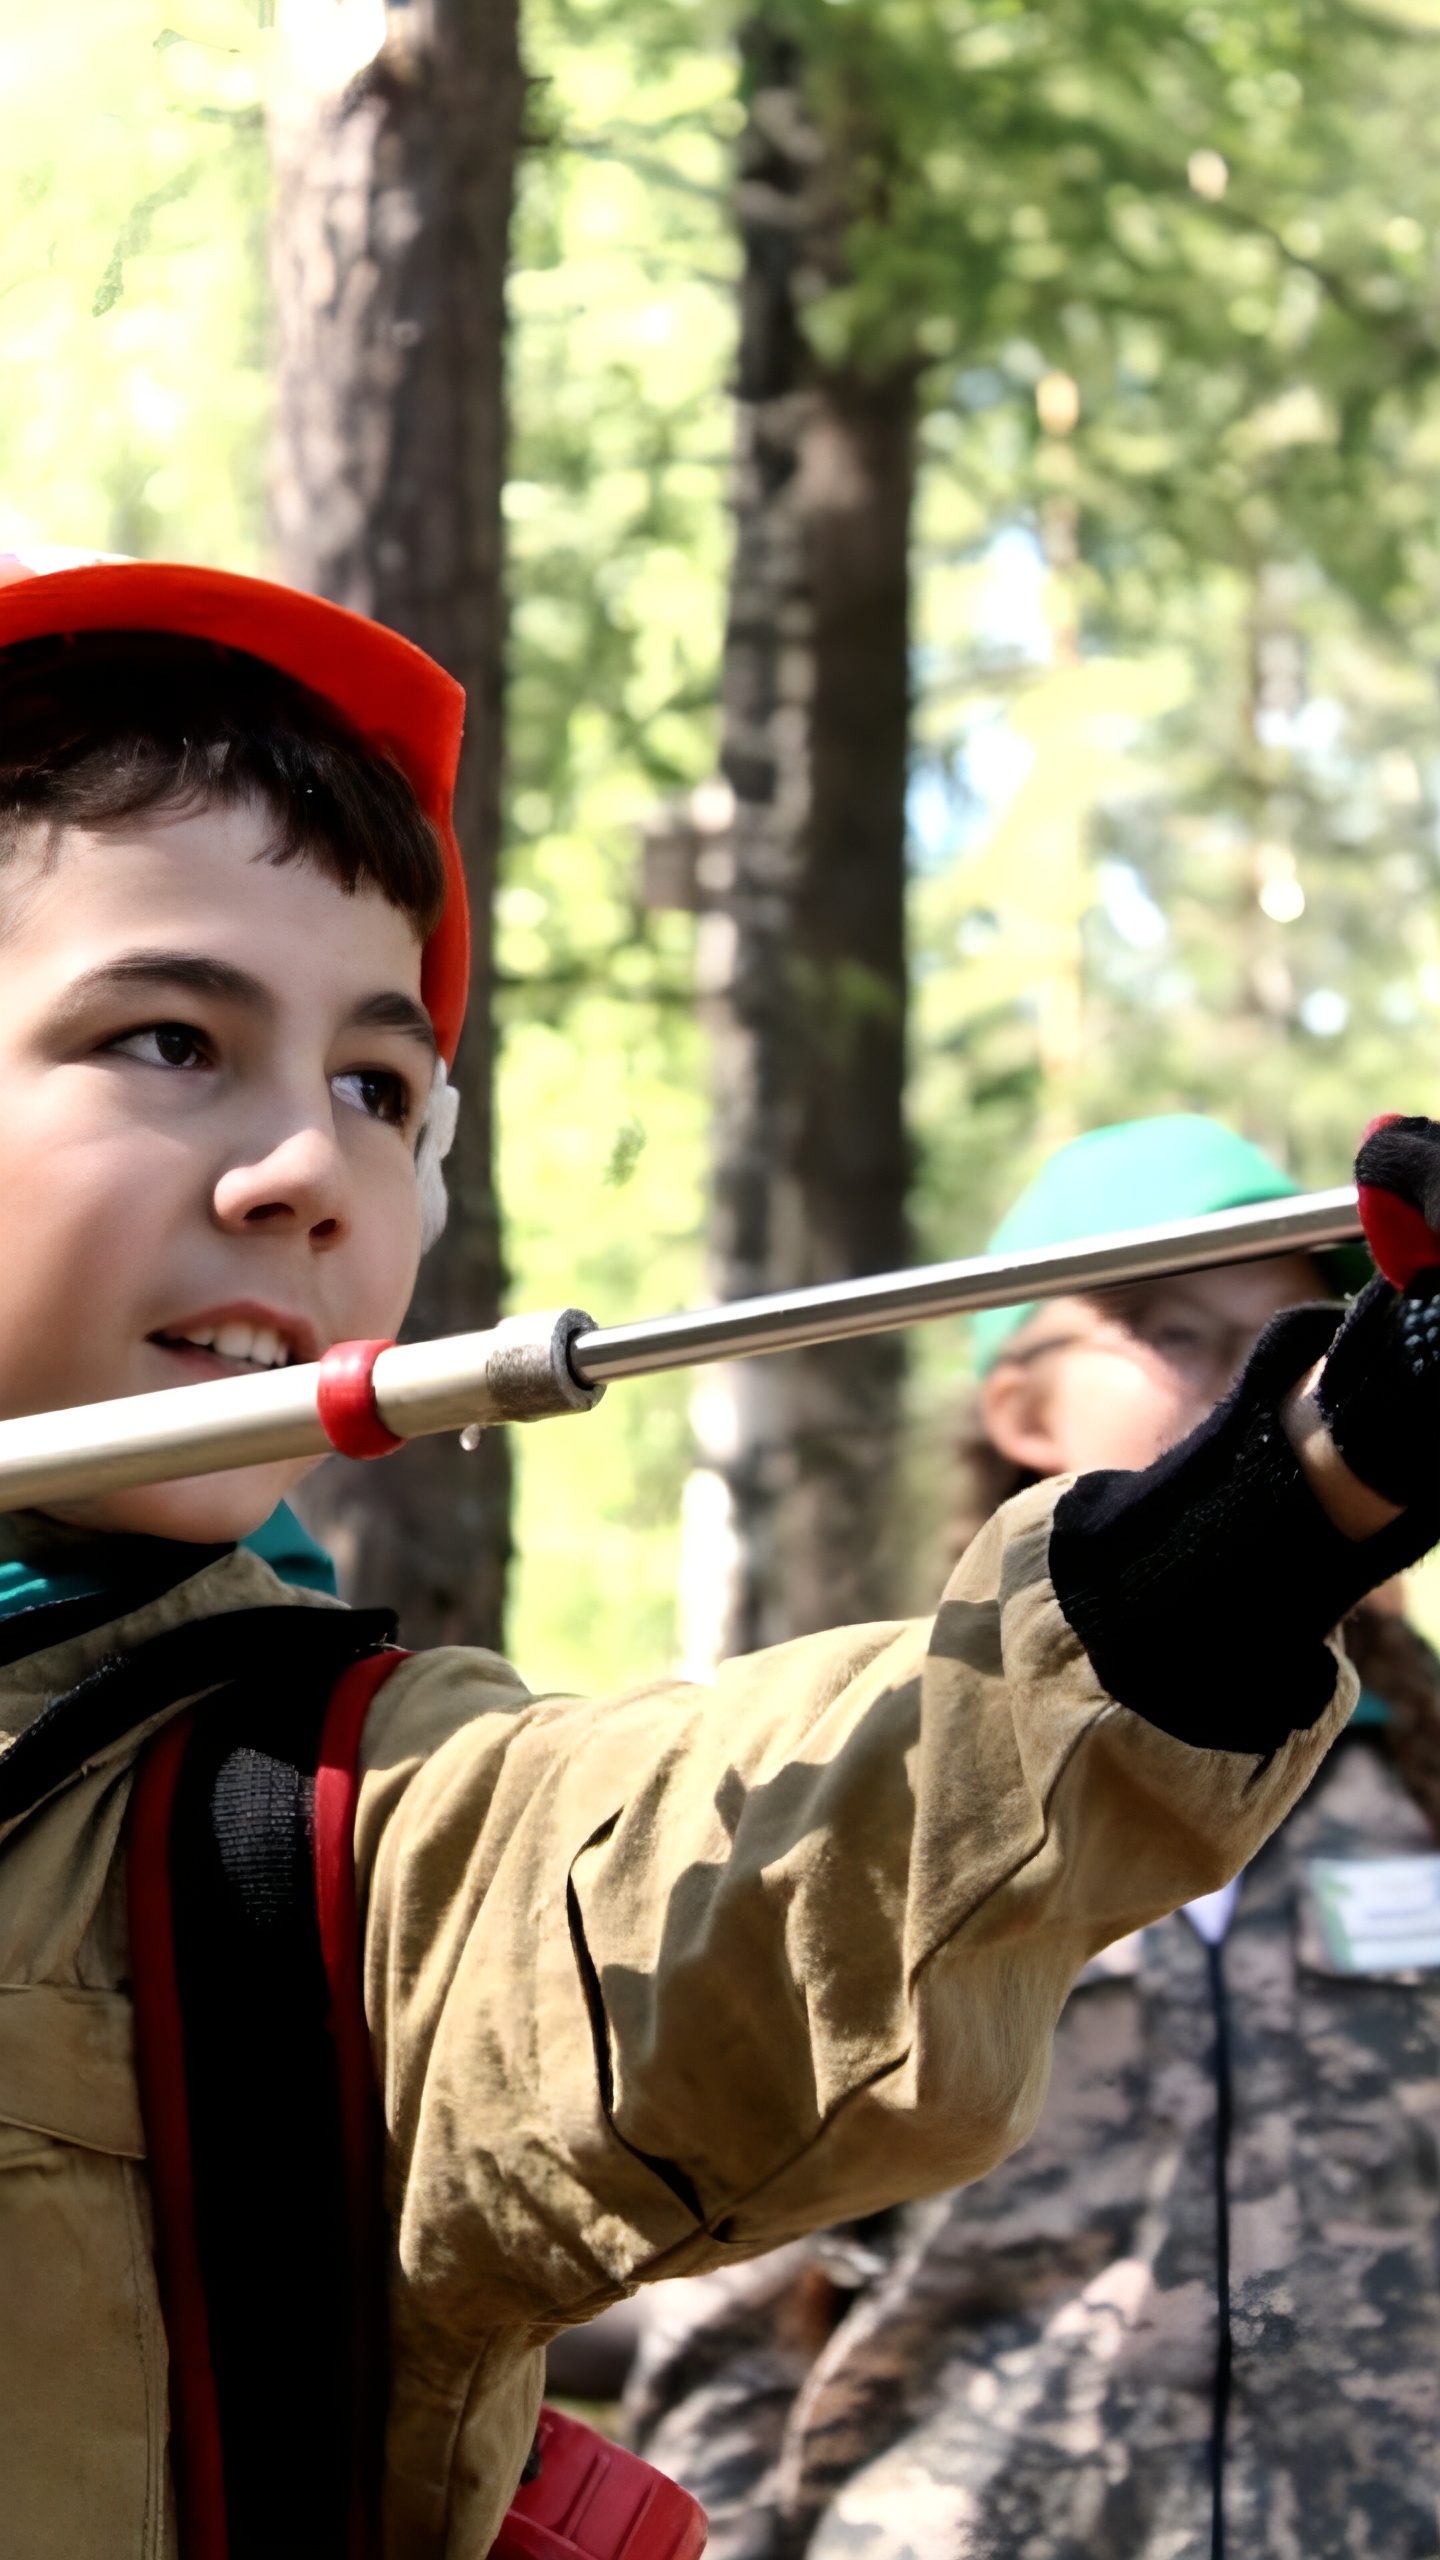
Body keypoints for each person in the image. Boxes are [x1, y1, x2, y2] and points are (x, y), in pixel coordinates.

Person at [0, 552, 1432, 2560]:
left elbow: (735, 1875)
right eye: (165, 1036)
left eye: (377, 1087)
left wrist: (1289, 1498)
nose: (310, 1169)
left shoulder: (329, 1823)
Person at [623, 1118, 1440, 2560]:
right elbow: (726, 2298)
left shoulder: (1427, 1786)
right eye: (1173, 1329)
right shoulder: (881, 1788)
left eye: (1294, 1332)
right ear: (1019, 1405)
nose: (1249, 1379)